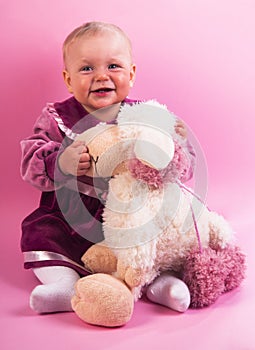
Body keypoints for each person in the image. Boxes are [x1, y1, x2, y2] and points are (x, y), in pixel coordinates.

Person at [20, 21, 195, 314]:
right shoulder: (57, 117)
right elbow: (30, 160)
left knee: (154, 240)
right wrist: (60, 162)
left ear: (132, 74)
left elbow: (184, 166)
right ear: (68, 79)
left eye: (113, 66)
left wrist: (169, 148)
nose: (101, 76)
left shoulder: (147, 116)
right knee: (44, 234)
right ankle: (65, 285)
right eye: (87, 69)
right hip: (71, 220)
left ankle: (157, 284)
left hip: (132, 217)